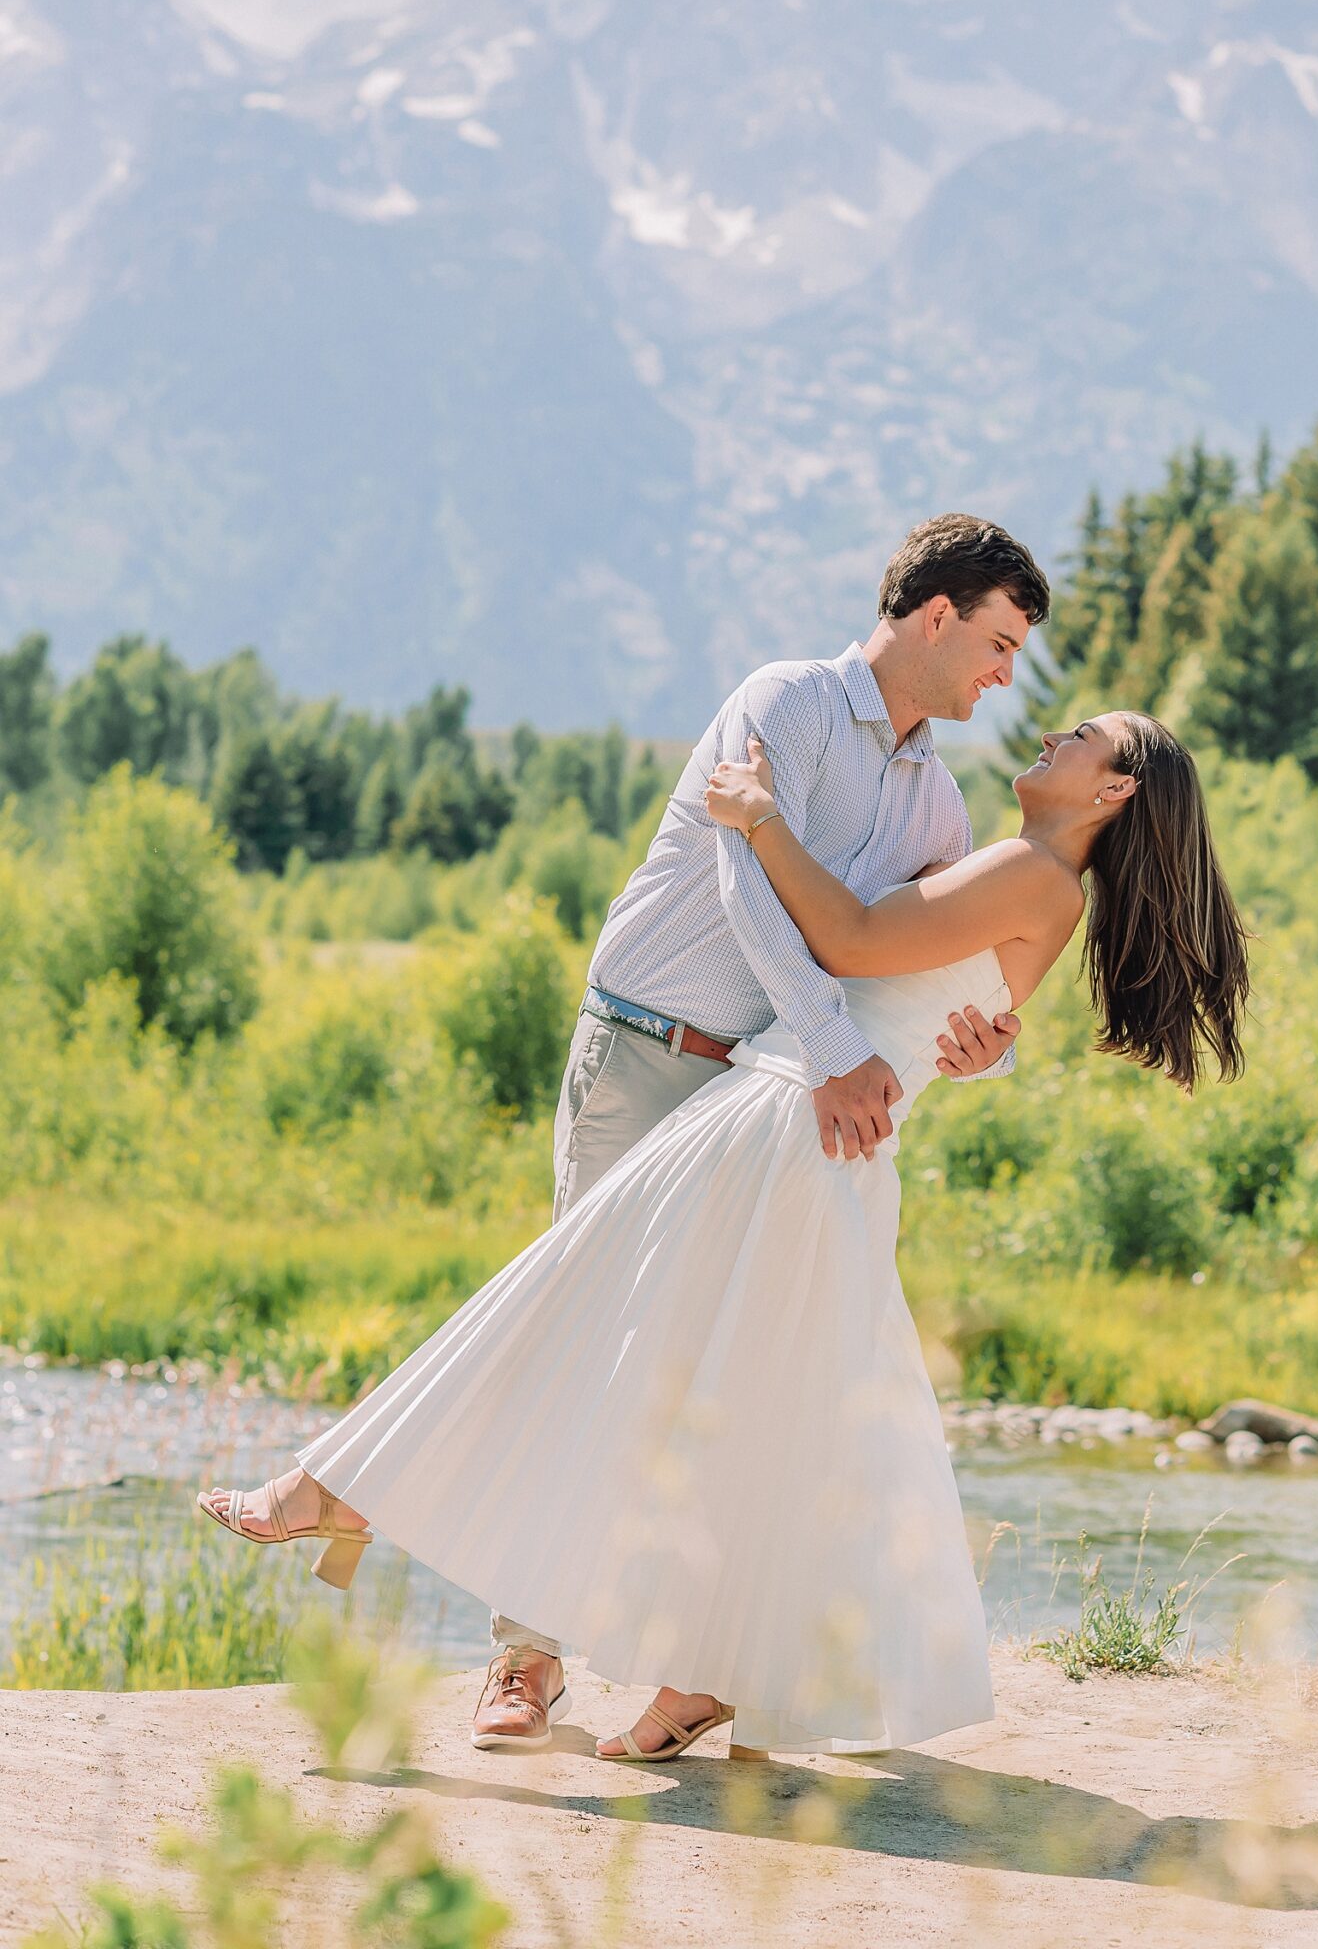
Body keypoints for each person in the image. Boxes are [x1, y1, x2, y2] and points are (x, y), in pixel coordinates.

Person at [197, 698, 1249, 1766]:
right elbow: (918, 995)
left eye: (1081, 738)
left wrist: (755, 819)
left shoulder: (1030, 873)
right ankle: (702, 1671)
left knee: (573, 1307)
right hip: (800, 1130)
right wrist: (983, 1041)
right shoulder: (1027, 876)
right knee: (756, 1404)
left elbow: (852, 940)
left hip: (786, 1129)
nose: (1052, 733)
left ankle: (345, 1491)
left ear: (1112, 789)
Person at [202, 515, 1052, 1748]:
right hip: (650, 1048)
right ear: (934, 614)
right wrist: (831, 1055)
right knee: (575, 1334)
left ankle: (678, 1650)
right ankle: (522, 1665)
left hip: (764, 1101)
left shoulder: (937, 799)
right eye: (996, 640)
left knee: (704, 1372)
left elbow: (905, 967)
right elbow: (744, 883)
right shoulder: (790, 705)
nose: (1002, 674)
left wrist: (986, 1045)